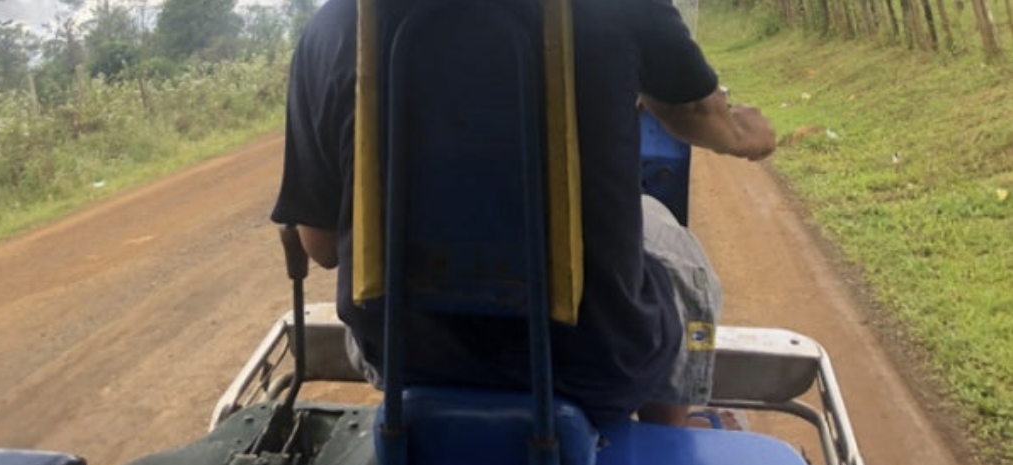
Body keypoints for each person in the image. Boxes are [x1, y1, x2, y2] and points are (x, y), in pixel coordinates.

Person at [271, 0, 775, 429]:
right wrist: (744, 134)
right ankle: (668, 431)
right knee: (674, 246)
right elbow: (699, 111)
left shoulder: (334, 25)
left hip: (404, 359)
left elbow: (322, 246)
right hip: (594, 365)